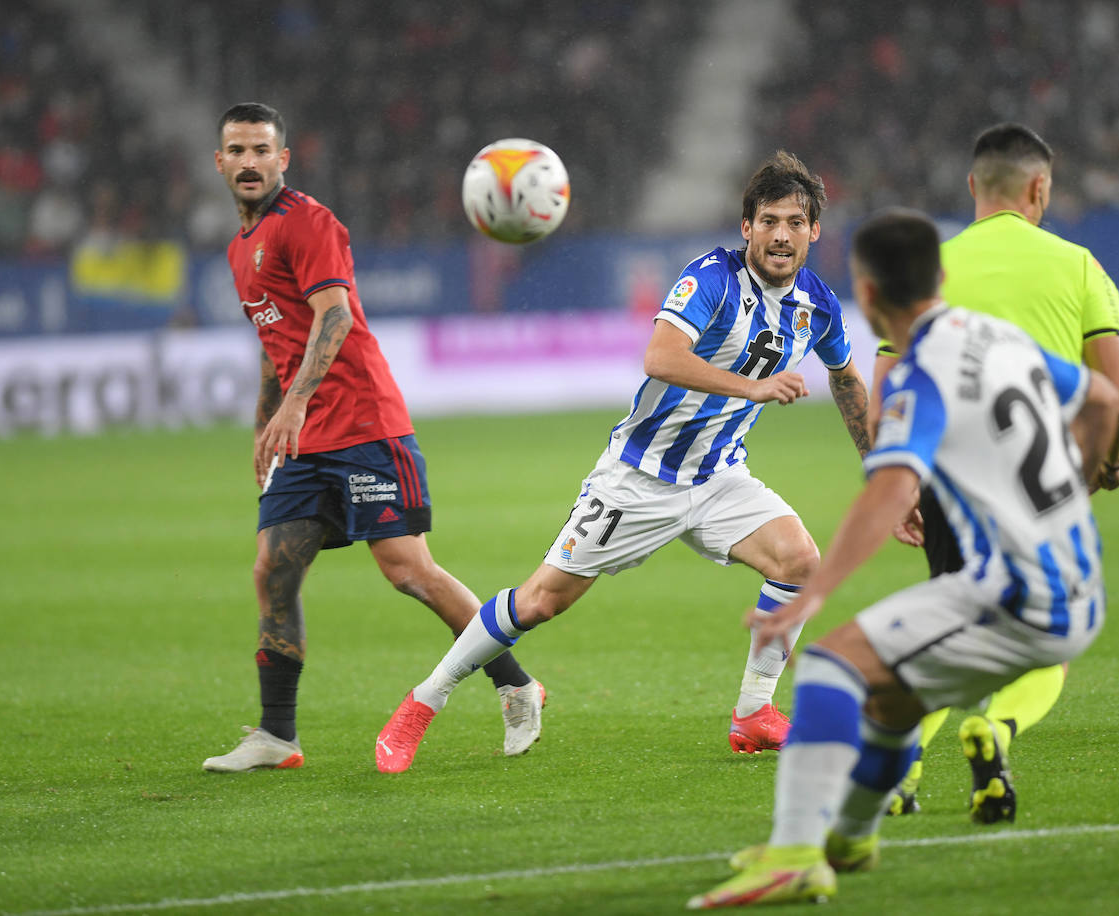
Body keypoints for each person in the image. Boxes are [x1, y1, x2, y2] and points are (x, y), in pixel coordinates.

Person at [372, 150, 875, 773]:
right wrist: (753, 387)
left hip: (718, 475)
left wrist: (879, 465)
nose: (781, 234)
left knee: (800, 560)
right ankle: (423, 703)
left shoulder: (817, 304)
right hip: (640, 477)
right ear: (746, 227)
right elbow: (659, 358)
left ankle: (753, 714)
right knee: (540, 602)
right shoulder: (711, 279)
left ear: (814, 231)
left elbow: (848, 379)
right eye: (769, 220)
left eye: (796, 222)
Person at [687, 208, 1119, 908]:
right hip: (1078, 581)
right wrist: (1089, 470)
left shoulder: (921, 373)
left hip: (1017, 594)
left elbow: (890, 491)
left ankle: (797, 853)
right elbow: (1105, 398)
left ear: (864, 296)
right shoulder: (999, 337)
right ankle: (851, 841)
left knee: (831, 662)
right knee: (890, 698)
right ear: (942, 278)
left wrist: (812, 593)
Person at [201, 102, 544, 773]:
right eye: (236, 151)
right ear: (220, 162)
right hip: (302, 440)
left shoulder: (309, 223)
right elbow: (276, 344)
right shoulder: (241, 249)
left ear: (283, 159)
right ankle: (277, 735)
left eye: (260, 150)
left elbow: (334, 315)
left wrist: (296, 403)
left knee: (407, 571)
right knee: (274, 569)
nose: (248, 162)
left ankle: (516, 684)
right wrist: (263, 423)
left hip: (363, 425)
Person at [867, 123, 1119, 822]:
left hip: (948, 479)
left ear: (973, 188)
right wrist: (1100, 469)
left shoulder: (930, 268)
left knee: (951, 624)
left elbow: (889, 383)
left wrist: (893, 482)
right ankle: (997, 728)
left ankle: (899, 769)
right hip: (1038, 480)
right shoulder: (1078, 265)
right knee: (1051, 633)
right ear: (1039, 187)